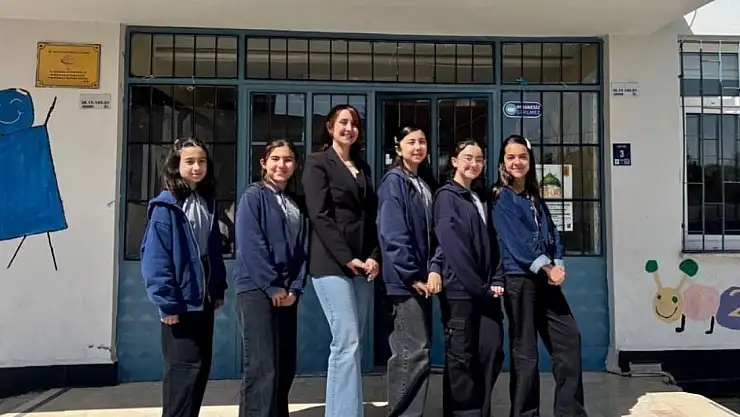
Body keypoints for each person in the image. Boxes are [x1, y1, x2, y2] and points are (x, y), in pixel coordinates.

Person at [491, 134, 587, 417]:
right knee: (526, 353)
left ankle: (570, 413)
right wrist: (547, 267)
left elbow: (552, 231)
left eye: (523, 156)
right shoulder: (502, 197)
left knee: (569, 340)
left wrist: (558, 262)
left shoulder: (533, 195)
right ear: (503, 162)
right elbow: (517, 240)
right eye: (511, 157)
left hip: (545, 280)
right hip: (519, 280)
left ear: (530, 161)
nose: (517, 162)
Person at [302, 104, 380, 417]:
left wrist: (373, 257)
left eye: (355, 123)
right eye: (343, 122)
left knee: (353, 342)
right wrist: (348, 258)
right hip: (331, 263)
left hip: (362, 265)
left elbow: (370, 217)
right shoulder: (318, 162)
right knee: (345, 342)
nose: (349, 128)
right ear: (330, 127)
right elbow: (319, 215)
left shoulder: (363, 167)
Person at [140, 136, 228, 417]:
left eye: (201, 161)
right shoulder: (166, 207)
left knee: (199, 368)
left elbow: (212, 251)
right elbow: (156, 258)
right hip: (179, 302)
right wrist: (167, 303)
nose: (196, 167)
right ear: (176, 165)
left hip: (203, 299)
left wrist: (217, 289)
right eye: (189, 161)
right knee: (182, 373)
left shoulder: (206, 201)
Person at [233, 139, 309, 417]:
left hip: (287, 294)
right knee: (262, 367)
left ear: (295, 165)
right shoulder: (253, 197)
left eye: (288, 159)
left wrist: (296, 288)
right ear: (263, 163)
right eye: (275, 159)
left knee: (284, 366)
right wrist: (272, 285)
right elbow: (251, 245)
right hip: (257, 290)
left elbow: (303, 249)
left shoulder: (294, 203)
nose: (281, 165)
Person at [433, 139, 505, 417]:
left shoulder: (478, 197)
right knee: (461, 360)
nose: (474, 164)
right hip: (461, 292)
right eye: (468, 158)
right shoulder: (446, 197)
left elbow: (491, 242)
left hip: (485, 292)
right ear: (454, 161)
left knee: (492, 350)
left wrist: (496, 278)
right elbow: (453, 248)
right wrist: (479, 288)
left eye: (479, 159)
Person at [377, 126, 443, 417]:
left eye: (422, 142)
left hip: (422, 280)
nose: (417, 147)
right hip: (404, 283)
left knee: (418, 351)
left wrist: (432, 269)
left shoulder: (423, 182)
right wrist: (412, 274)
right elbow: (392, 233)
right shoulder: (394, 181)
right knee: (410, 353)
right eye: (411, 142)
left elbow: (434, 232)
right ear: (398, 147)